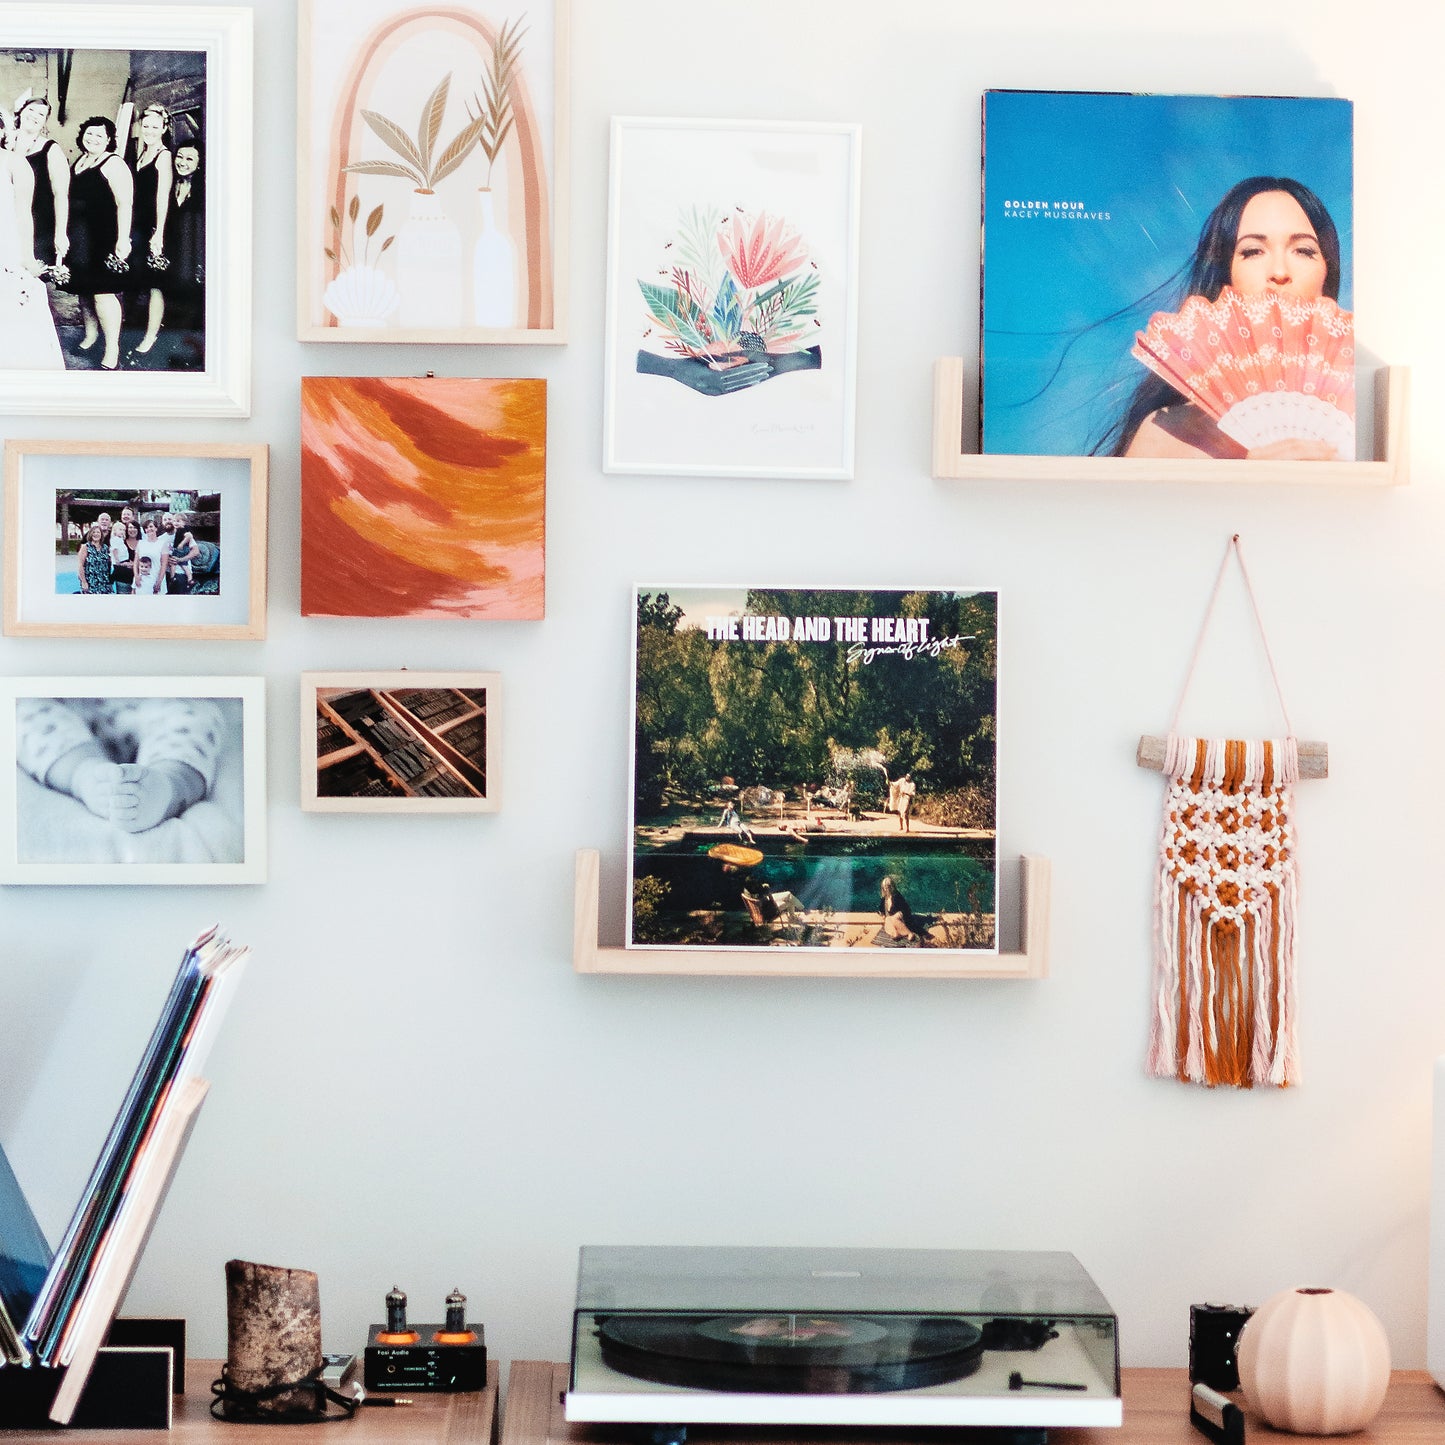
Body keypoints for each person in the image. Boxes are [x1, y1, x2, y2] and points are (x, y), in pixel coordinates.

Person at [1107, 177, 1345, 461]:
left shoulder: (1365, 419)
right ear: (1224, 276)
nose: (1279, 271)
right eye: (1253, 251)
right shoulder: (1167, 437)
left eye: (1304, 250)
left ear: (1327, 275)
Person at [15, 696, 225, 834]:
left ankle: (168, 783)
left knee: (196, 715)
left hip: (155, 696)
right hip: (63, 699)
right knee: (21, 714)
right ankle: (84, 774)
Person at [64, 116, 133, 370]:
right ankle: (91, 336)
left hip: (103, 237)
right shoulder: (80, 160)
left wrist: (123, 238)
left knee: (103, 294)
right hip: (80, 237)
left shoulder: (114, 163)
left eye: (99, 136)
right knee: (84, 291)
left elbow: (125, 204)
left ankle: (112, 349)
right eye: (89, 134)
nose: (93, 139)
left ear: (108, 140)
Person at [127, 104, 172, 359]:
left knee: (155, 284)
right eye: (146, 126)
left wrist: (160, 233)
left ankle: (151, 334)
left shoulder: (163, 155)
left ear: (164, 128)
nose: (150, 131)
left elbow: (162, 196)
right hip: (137, 225)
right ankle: (133, 327)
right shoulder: (141, 152)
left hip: (154, 226)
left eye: (156, 127)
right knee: (137, 278)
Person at [9, 94, 67, 271]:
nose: (34, 116)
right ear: (20, 112)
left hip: (38, 225)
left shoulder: (51, 149)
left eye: (41, 114)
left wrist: (60, 232)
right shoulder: (5, 143)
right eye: (31, 110)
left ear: (45, 122)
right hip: (8, 220)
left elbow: (61, 194)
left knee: (32, 278)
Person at [163, 140, 203, 337]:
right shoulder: (170, 184)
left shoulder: (205, 190)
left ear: (199, 162)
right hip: (173, 250)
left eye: (189, 158)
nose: (183, 162)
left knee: (192, 299)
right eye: (179, 156)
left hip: (194, 254)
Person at [879, 876, 921, 944]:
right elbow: (881, 910)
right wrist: (883, 914)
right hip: (890, 919)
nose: (887, 889)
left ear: (892, 886)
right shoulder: (884, 898)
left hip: (901, 919)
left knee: (894, 919)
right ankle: (896, 933)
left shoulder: (897, 896)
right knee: (888, 920)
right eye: (885, 887)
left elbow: (906, 909)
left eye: (888, 886)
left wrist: (900, 913)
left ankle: (909, 933)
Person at [133, 516, 170, 595]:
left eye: (151, 526)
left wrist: (159, 581)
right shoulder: (141, 543)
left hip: (156, 578)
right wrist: (136, 576)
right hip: (142, 580)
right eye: (146, 528)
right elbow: (136, 562)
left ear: (156, 528)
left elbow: (164, 565)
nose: (149, 529)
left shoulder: (162, 544)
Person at [76, 521, 112, 595]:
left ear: (101, 535)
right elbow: (80, 565)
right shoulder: (85, 547)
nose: (96, 534)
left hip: (104, 581)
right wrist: (84, 582)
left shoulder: (105, 548)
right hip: (90, 581)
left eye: (98, 532)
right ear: (90, 534)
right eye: (94, 532)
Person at [111, 519, 140, 592]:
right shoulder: (120, 541)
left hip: (138, 579)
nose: (132, 530)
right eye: (130, 527)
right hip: (122, 578)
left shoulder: (142, 542)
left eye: (135, 527)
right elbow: (114, 554)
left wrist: (133, 564)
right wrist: (121, 563)